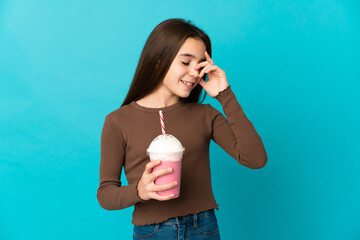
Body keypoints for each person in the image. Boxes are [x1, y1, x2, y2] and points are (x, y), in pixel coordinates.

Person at [97, 18, 267, 240]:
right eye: (185, 62)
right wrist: (139, 191)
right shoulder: (117, 122)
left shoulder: (205, 115)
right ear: (158, 61)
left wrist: (225, 95)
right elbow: (105, 194)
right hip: (153, 232)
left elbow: (255, 159)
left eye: (199, 65)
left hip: (204, 228)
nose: (195, 73)